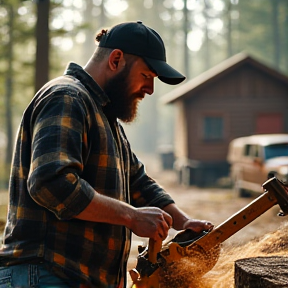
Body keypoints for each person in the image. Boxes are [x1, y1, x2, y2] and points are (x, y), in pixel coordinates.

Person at [0, 21, 213, 288]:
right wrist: (132, 216)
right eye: (147, 76)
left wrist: (183, 222)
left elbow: (138, 183)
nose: (150, 89)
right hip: (47, 275)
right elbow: (51, 183)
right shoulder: (67, 97)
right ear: (116, 60)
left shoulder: (104, 116)